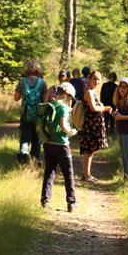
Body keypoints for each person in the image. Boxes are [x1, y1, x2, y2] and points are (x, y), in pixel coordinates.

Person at [38, 81, 79, 212]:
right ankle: (71, 202)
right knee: (68, 173)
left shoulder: (49, 104)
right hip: (61, 144)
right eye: (71, 97)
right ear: (66, 94)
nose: (70, 100)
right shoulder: (63, 107)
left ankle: (45, 200)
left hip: (48, 143)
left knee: (49, 171)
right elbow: (63, 126)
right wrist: (71, 132)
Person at [13, 60, 47, 165]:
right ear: (38, 69)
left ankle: (23, 156)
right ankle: (36, 161)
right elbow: (45, 101)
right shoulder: (42, 83)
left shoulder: (22, 82)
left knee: (25, 137)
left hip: (25, 115)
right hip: (38, 116)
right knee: (37, 138)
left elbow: (16, 98)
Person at [79, 70, 110, 182]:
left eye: (98, 79)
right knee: (88, 150)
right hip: (90, 124)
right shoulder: (89, 92)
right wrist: (105, 108)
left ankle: (87, 174)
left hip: (95, 124)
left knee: (91, 151)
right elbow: (94, 108)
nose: (97, 81)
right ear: (89, 80)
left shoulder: (94, 92)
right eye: (94, 79)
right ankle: (86, 175)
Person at [99, 72, 118, 140]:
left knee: (106, 118)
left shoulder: (104, 85)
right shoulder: (116, 86)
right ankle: (111, 132)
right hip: (113, 104)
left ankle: (105, 131)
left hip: (105, 103)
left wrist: (102, 101)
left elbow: (101, 94)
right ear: (115, 78)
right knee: (112, 118)